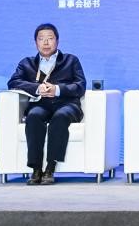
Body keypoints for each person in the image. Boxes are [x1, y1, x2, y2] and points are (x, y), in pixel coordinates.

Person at [7, 23, 86, 185]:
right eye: (41, 39)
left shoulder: (71, 60)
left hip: (66, 105)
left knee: (60, 117)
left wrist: (57, 89)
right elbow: (13, 82)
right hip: (40, 104)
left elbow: (80, 86)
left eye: (50, 38)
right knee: (34, 116)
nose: (46, 43)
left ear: (57, 41)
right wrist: (37, 88)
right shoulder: (27, 63)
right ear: (35, 42)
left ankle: (50, 167)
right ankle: (36, 169)